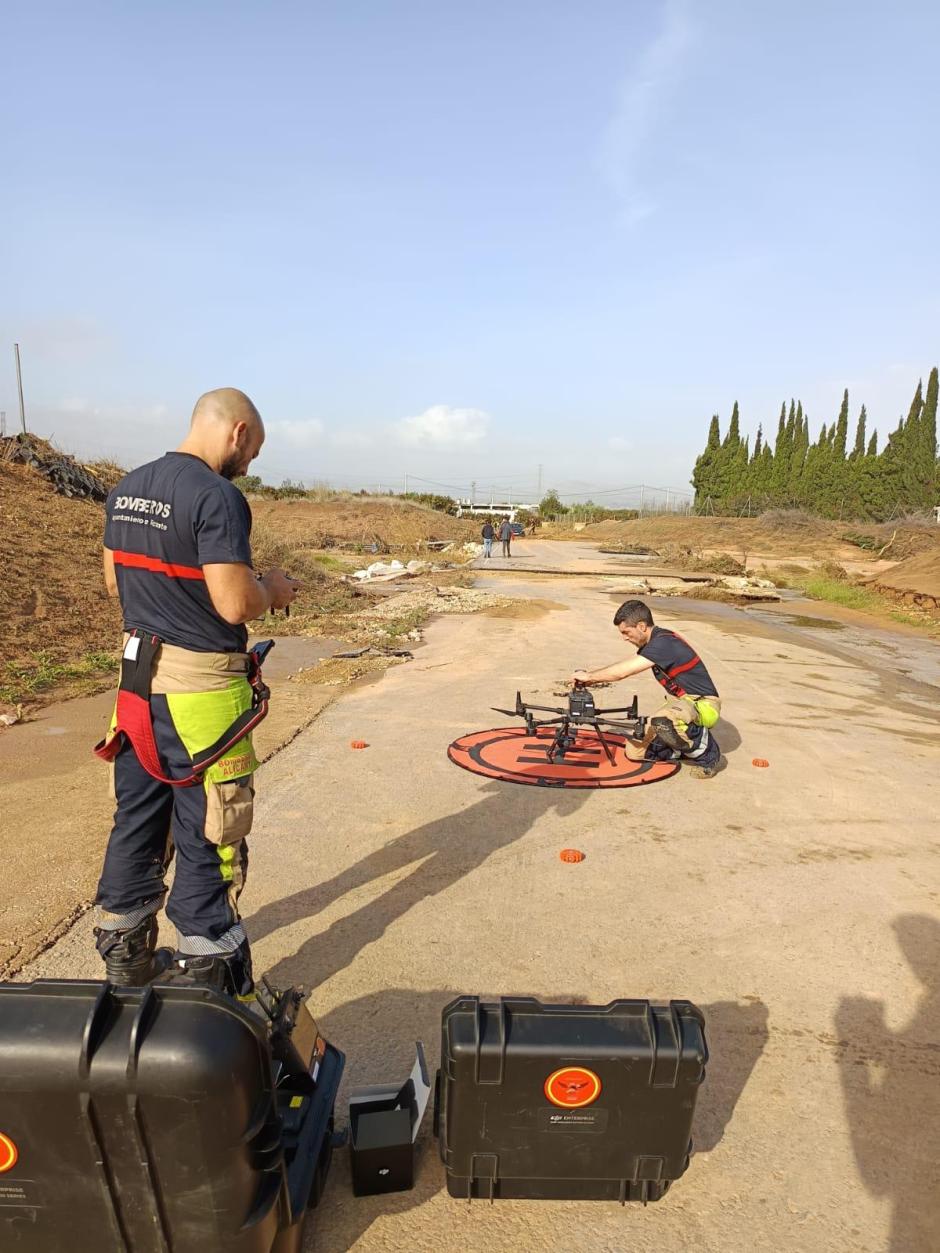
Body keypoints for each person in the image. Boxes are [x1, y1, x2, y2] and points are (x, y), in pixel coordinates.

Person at [93, 388, 299, 996]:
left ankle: (126, 960)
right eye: (253, 451)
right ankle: (209, 974)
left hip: (135, 689)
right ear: (237, 433)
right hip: (204, 695)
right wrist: (273, 589)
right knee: (213, 831)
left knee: (137, 820)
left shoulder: (126, 487)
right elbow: (234, 601)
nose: (250, 465)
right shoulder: (217, 496)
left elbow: (114, 582)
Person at [570, 599, 722, 778]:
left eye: (626, 632)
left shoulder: (664, 643)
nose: (624, 637)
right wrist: (591, 679)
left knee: (663, 721)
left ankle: (708, 754)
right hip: (682, 704)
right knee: (634, 752)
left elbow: (623, 672)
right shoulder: (654, 643)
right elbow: (622, 669)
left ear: (641, 626)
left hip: (704, 706)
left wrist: (589, 677)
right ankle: (681, 749)